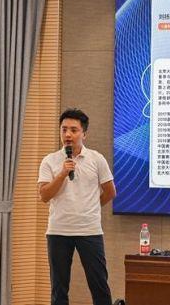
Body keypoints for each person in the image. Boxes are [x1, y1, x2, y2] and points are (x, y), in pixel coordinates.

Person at [38, 108, 117, 305]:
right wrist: (62, 174)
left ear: (84, 134)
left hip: (89, 230)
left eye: (73, 130)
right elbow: (44, 195)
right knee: (59, 289)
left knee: (99, 285)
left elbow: (110, 192)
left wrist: (90, 208)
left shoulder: (96, 159)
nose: (68, 135)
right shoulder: (49, 161)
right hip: (58, 231)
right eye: (64, 129)